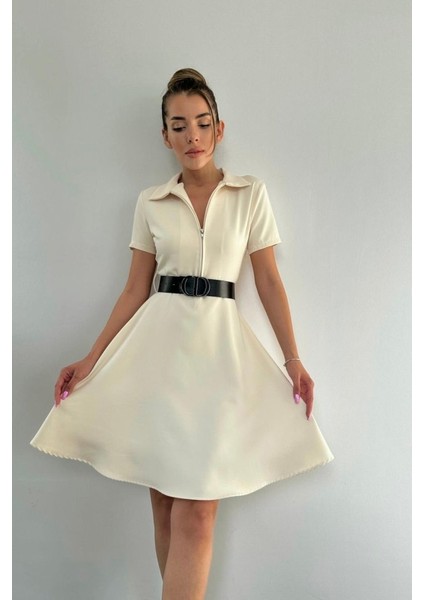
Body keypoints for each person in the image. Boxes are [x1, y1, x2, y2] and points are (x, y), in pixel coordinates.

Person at [30, 68, 334, 600]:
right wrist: (91, 359)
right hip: (158, 355)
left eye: (202, 122)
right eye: (179, 125)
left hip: (218, 357)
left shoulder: (249, 193)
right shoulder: (150, 201)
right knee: (166, 504)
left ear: (219, 128)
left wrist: (293, 360)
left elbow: (267, 279)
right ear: (165, 136)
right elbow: (134, 290)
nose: (192, 135)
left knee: (197, 510)